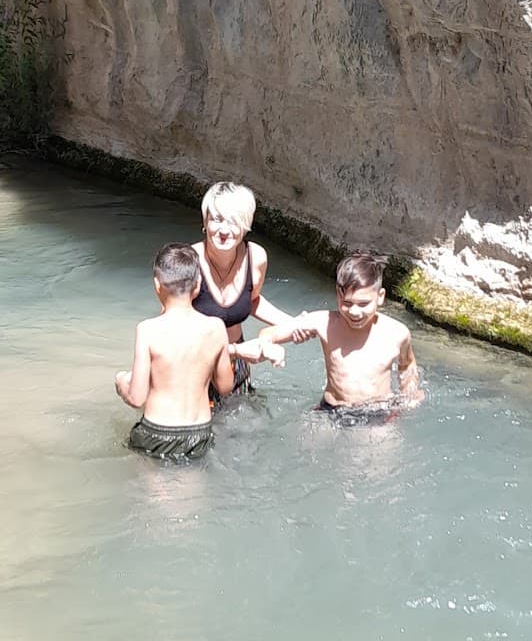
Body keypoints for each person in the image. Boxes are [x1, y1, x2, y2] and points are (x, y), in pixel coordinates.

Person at [252, 253, 423, 421]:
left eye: (364, 304)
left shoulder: (397, 333)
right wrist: (268, 346)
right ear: (338, 294)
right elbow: (269, 333)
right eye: (347, 303)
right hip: (331, 409)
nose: (355, 312)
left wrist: (408, 396)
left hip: (378, 412)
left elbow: (407, 366)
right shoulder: (323, 322)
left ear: (380, 297)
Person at [115, 243, 236, 461]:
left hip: (157, 431)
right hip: (199, 433)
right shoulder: (216, 328)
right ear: (198, 285)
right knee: (193, 489)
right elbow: (226, 386)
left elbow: (136, 397)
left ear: (156, 285)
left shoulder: (147, 329)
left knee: (155, 493)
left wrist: (122, 381)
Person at [193, 180, 294, 395]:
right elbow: (170, 327)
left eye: (234, 221)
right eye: (217, 219)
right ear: (205, 221)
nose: (224, 230)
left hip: (235, 362)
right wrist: (238, 351)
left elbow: (252, 300)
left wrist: (294, 323)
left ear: (246, 224)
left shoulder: (256, 257)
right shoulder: (188, 263)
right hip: (194, 365)